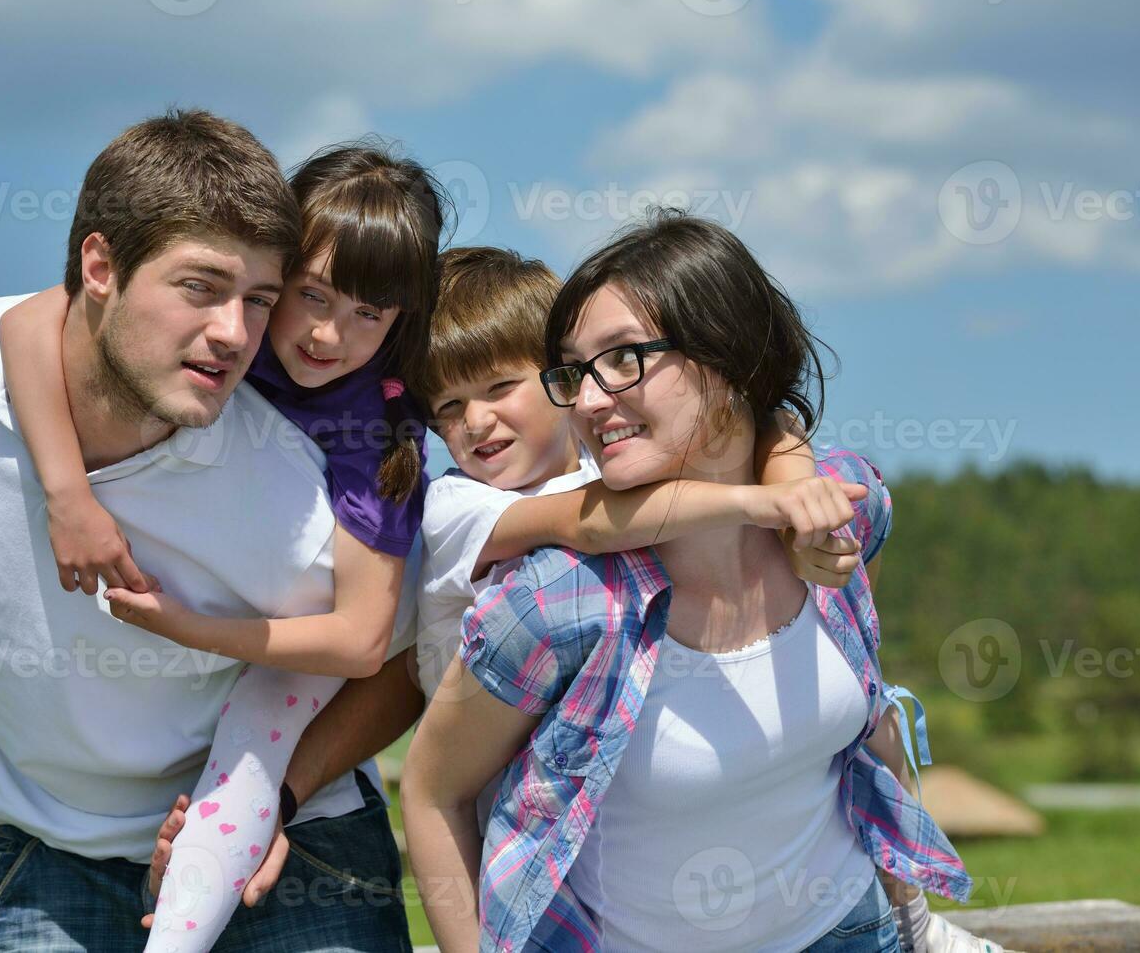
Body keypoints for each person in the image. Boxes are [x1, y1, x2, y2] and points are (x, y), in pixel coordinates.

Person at [0, 109, 417, 952]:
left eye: (260, 299)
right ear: (99, 266)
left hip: (286, 854)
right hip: (49, 852)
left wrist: (281, 797)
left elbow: (397, 658)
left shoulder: (304, 489)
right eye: (199, 286)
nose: (236, 333)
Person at [401, 213, 976, 952]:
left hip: (854, 931)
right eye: (578, 371)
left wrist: (912, 923)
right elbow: (431, 789)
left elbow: (868, 724)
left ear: (724, 357)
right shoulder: (556, 597)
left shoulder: (832, 515)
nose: (588, 399)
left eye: (624, 359)